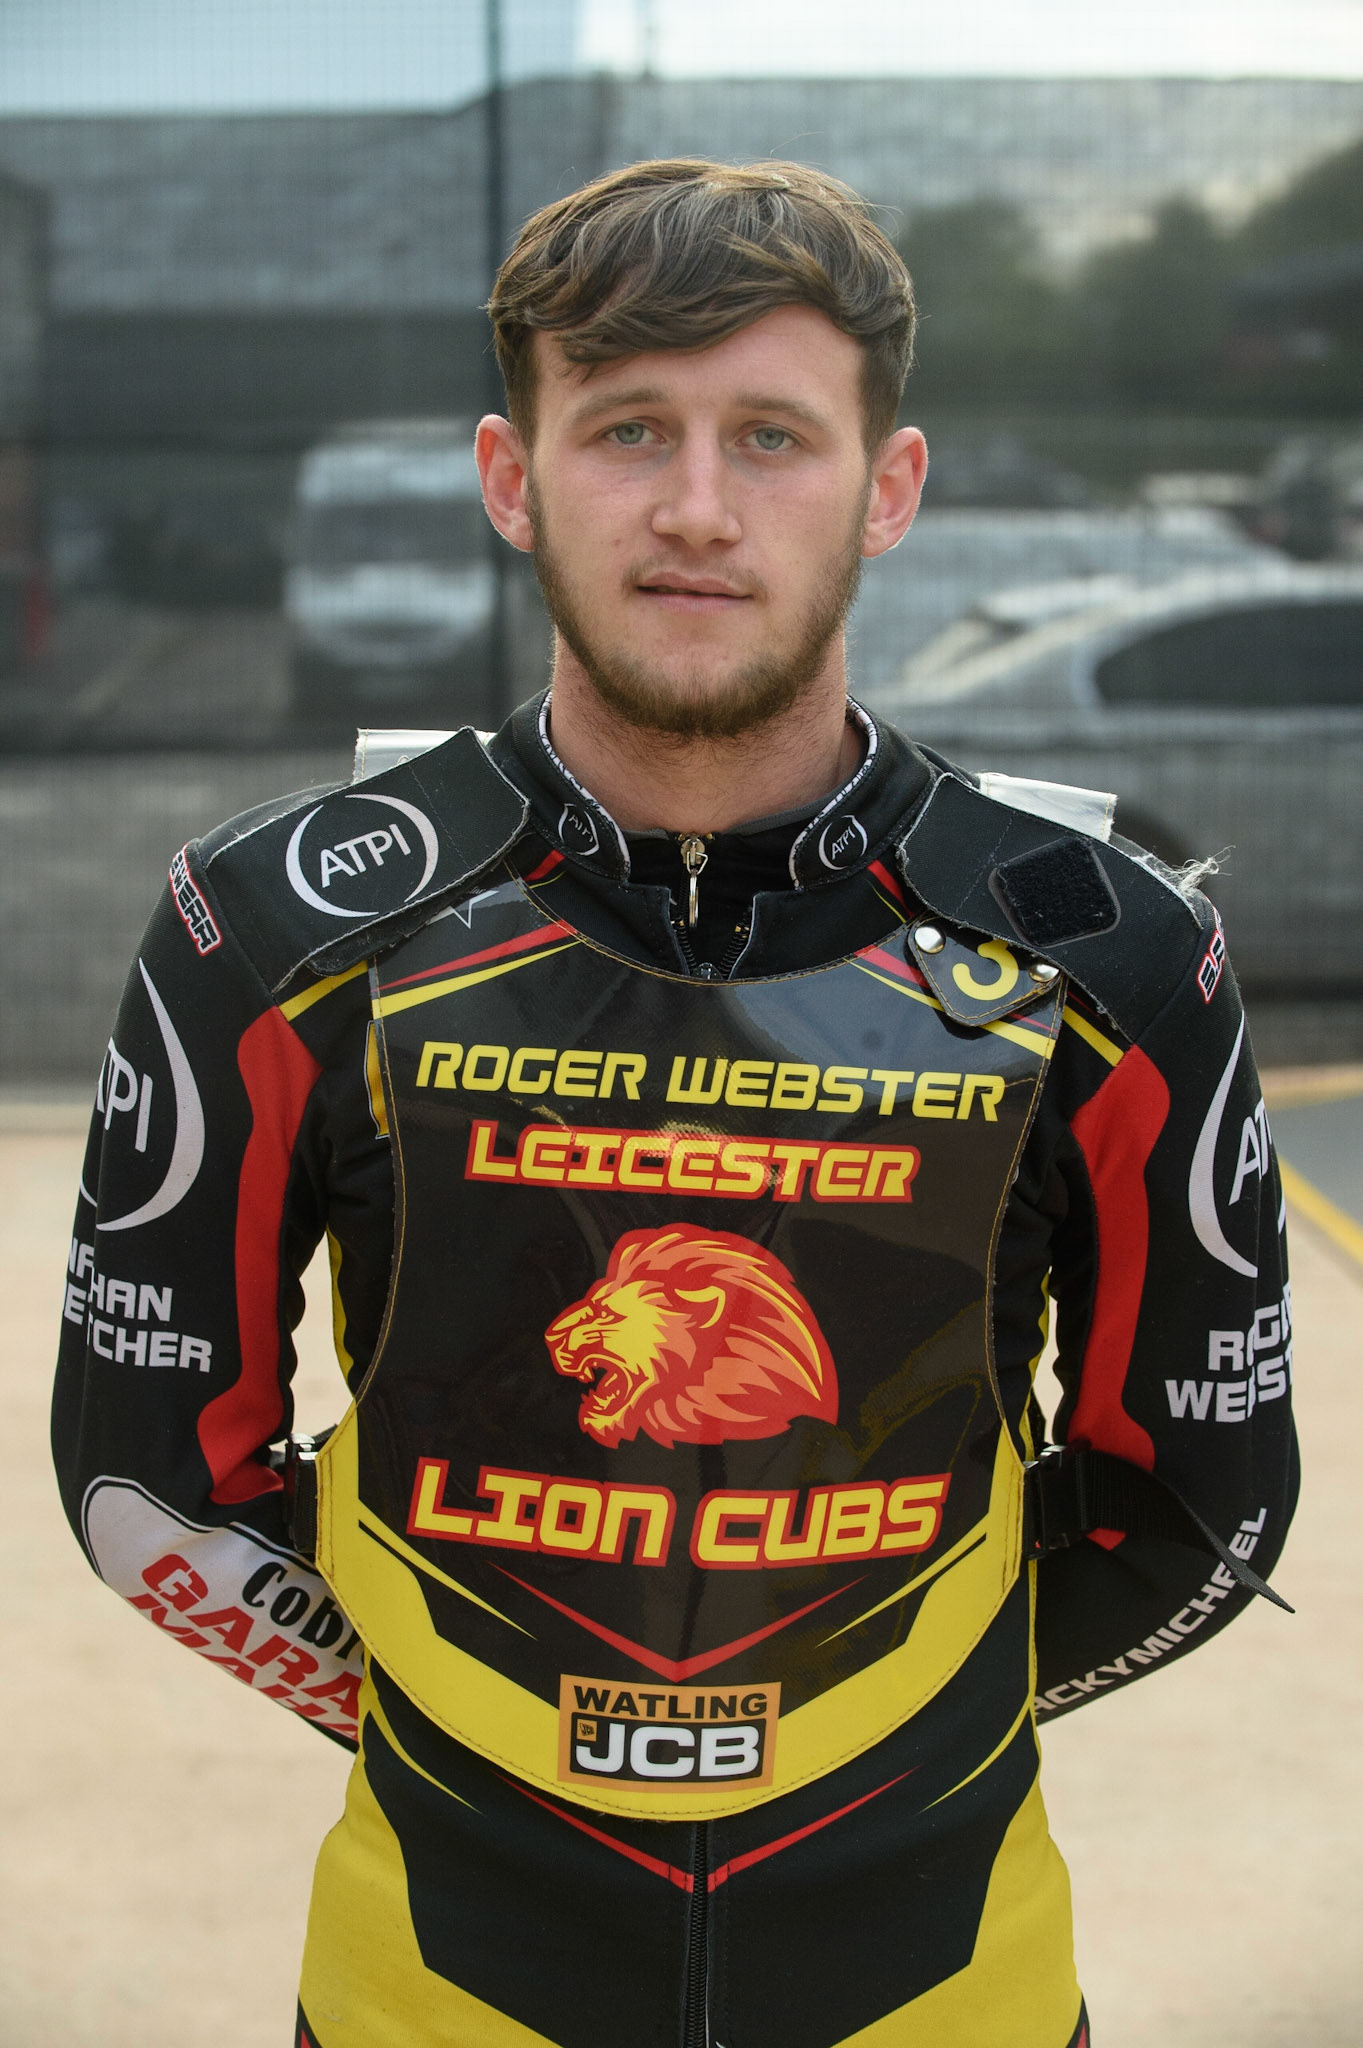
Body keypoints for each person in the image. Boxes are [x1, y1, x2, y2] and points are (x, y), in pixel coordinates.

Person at [53, 158, 1297, 2048]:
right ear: (512, 474)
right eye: (629, 428)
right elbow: (149, 1481)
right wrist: (452, 1702)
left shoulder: (1109, 955)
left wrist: (874, 1726)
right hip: (426, 1998)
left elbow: (1202, 1500)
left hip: (951, 1993)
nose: (700, 510)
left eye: (773, 438)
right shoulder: (274, 929)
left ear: (889, 488)